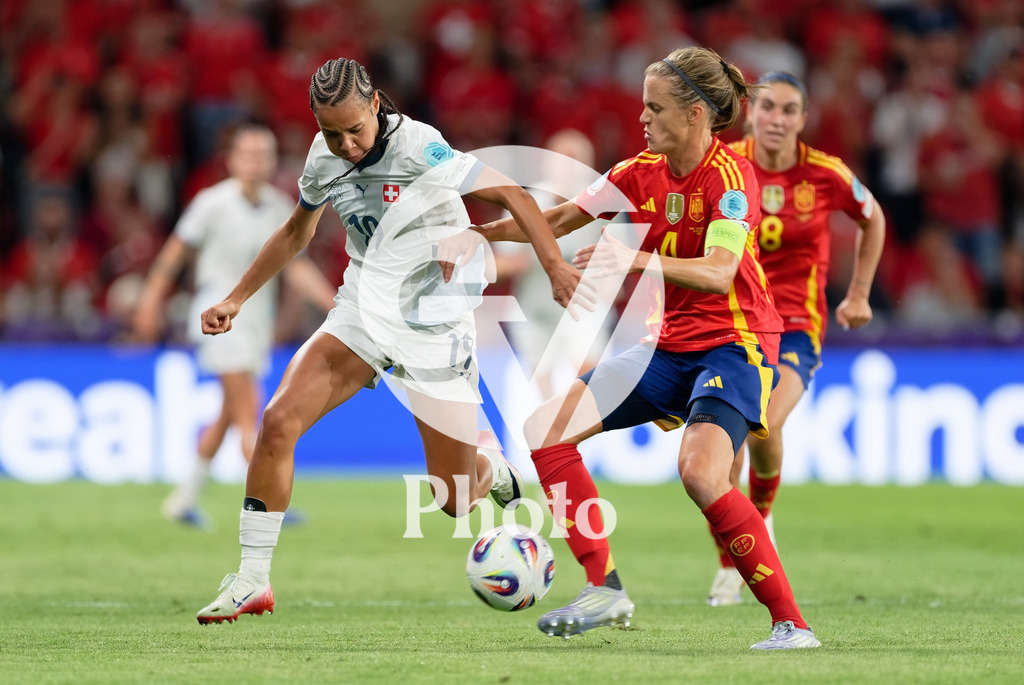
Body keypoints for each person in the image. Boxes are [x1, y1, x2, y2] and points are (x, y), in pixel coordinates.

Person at [193, 57, 581, 624]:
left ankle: (491, 470)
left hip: (435, 320)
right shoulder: (323, 157)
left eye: (355, 128)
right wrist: (236, 297)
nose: (347, 144)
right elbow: (296, 231)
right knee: (277, 422)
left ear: (376, 105)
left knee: (453, 501)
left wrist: (553, 267)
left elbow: (514, 195)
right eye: (332, 132)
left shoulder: (419, 147)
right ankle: (252, 578)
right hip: (364, 309)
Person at [473, 46, 820, 649]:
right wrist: (473, 233)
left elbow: (718, 272)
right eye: (642, 107)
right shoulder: (638, 170)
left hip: (734, 347)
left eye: (654, 108)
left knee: (701, 475)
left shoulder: (729, 179)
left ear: (693, 114)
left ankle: (791, 624)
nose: (642, 119)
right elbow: (553, 221)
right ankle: (603, 587)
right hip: (668, 346)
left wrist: (629, 257)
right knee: (544, 431)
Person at [706, 72, 885, 606]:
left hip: (795, 328)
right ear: (750, 112)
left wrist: (858, 293)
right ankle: (728, 565)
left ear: (803, 119)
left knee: (763, 426)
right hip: (733, 322)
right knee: (722, 445)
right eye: (766, 108)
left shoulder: (826, 174)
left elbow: (872, 219)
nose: (776, 120)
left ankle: (760, 518)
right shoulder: (727, 166)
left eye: (788, 110)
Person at [133, 123, 338, 528]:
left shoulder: (281, 206)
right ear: (231, 159)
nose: (256, 162)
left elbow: (296, 268)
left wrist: (335, 302)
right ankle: (267, 505)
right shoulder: (212, 203)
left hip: (254, 325)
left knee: (229, 414)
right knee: (251, 414)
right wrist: (150, 300)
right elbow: (175, 253)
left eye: (264, 154)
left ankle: (183, 499)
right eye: (248, 154)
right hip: (219, 322)